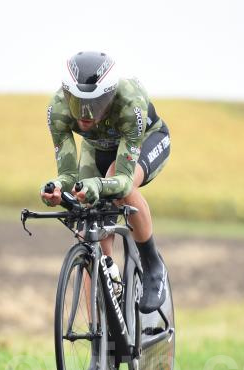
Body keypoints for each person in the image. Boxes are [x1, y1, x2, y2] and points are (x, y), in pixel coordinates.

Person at [41, 51, 171, 315]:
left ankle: (152, 264)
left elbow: (121, 180)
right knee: (87, 229)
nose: (85, 114)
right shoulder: (57, 110)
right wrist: (56, 188)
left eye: (95, 104)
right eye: (78, 104)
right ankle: (100, 333)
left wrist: (98, 188)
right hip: (97, 147)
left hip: (147, 140)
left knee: (117, 185)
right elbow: (68, 176)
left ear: (110, 96)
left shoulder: (129, 102)